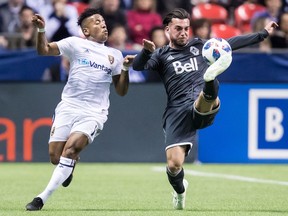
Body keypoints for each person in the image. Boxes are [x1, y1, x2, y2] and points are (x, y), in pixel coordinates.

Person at [132, 8, 277, 210]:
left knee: (207, 90)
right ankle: (180, 190)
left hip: (202, 104)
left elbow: (233, 42)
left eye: (186, 28)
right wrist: (146, 51)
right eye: (178, 29)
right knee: (174, 165)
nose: (183, 32)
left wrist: (263, 33)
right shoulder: (162, 55)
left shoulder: (201, 46)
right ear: (167, 30)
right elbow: (139, 66)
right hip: (177, 111)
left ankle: (210, 80)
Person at [25, 8, 135, 211]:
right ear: (85, 31)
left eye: (103, 21)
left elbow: (121, 90)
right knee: (56, 158)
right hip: (68, 106)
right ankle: (70, 165)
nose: (103, 24)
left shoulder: (115, 55)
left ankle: (41, 198)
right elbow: (44, 50)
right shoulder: (75, 44)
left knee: (71, 149)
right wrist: (41, 31)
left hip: (94, 112)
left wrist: (126, 69)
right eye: (96, 22)